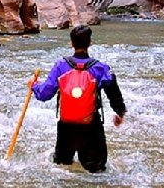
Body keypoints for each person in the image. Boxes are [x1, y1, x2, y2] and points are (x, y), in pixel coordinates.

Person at [29, 25, 126, 172]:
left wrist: (34, 85)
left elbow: (44, 94)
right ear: (90, 43)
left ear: (71, 43)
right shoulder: (101, 68)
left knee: (61, 168)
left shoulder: (60, 66)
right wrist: (120, 113)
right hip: (91, 127)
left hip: (66, 127)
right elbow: (114, 92)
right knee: (97, 172)